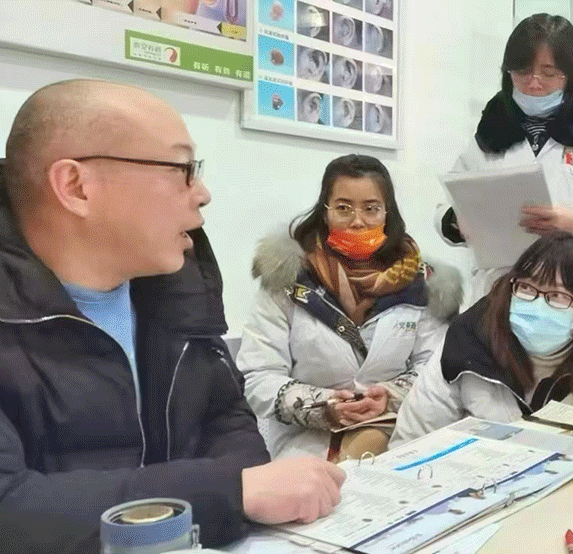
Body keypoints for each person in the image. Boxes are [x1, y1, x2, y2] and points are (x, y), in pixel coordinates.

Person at [0, 79, 345, 552]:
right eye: (182, 169)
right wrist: (228, 493)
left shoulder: (177, 290)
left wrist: (235, 490)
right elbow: (10, 508)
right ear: (77, 186)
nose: (202, 193)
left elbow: (230, 425)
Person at [238, 154, 461, 460]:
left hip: (400, 433)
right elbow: (259, 376)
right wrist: (324, 406)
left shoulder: (420, 283)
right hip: (308, 444)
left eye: (371, 209)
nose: (358, 221)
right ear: (325, 212)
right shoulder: (288, 280)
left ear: (387, 214)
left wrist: (389, 396)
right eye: (343, 208)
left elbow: (434, 366)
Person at [437, 13, 573, 312]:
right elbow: (448, 200)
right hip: (501, 294)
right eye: (522, 71)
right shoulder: (492, 129)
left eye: (548, 73)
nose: (533, 84)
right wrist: (456, 220)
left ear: (572, 75)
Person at [391, 232, 573, 447]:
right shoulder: (468, 341)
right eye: (526, 288)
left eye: (557, 296)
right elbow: (411, 442)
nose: (537, 304)